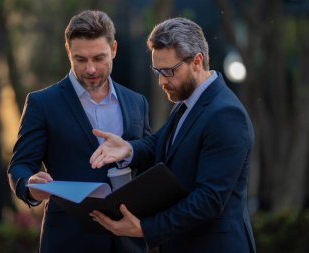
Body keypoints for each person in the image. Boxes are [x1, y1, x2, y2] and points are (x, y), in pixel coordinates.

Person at [89, 17, 256, 253]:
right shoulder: (188, 101)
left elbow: (209, 200)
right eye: (157, 71)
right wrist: (129, 149)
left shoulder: (226, 115)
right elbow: (165, 142)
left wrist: (146, 228)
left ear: (197, 61)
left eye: (168, 71)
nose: (161, 81)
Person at [7, 10, 151, 253]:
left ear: (114, 49)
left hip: (129, 242)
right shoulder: (42, 104)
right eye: (81, 59)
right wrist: (29, 186)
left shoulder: (137, 102)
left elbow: (148, 155)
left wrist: (129, 151)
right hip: (68, 240)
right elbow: (19, 167)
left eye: (99, 58)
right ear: (67, 52)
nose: (91, 69)